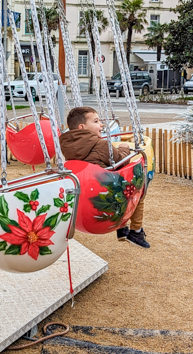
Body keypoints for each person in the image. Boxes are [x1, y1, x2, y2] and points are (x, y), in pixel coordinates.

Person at [59, 106, 150, 248]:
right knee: (139, 186)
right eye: (96, 121)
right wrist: (124, 147)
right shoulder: (101, 145)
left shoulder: (67, 147)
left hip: (81, 200)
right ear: (82, 127)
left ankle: (123, 228)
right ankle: (135, 230)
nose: (101, 125)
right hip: (106, 198)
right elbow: (122, 159)